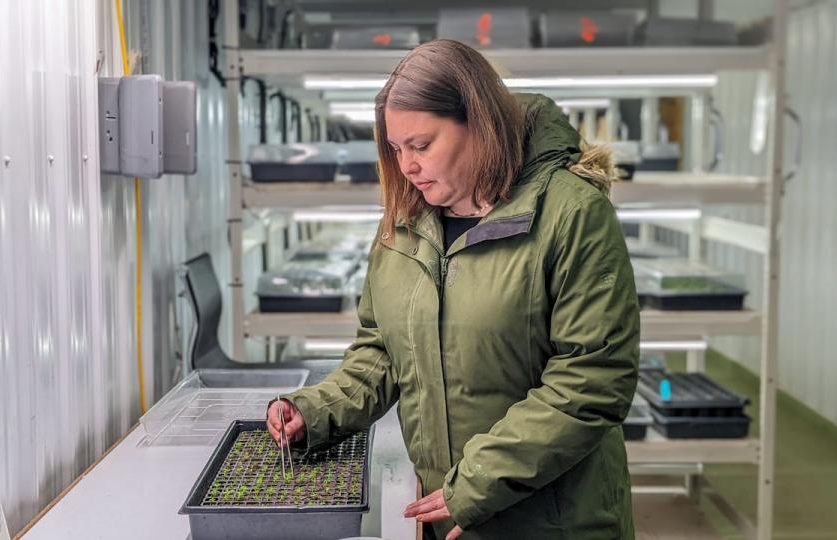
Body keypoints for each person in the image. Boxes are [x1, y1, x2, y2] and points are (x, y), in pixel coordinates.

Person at [267, 39, 640, 540]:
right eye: (396, 150)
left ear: (480, 123)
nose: (407, 167)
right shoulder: (407, 222)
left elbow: (592, 380)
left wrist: (478, 482)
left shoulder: (571, 213)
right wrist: (314, 411)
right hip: (448, 513)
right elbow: (382, 349)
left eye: (421, 146)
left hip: (553, 521)